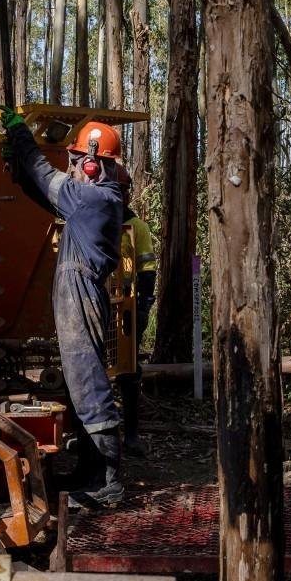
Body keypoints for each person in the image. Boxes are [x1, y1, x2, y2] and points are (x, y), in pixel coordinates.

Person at [0, 106, 128, 508]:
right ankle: (91, 471)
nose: (72, 167)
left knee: (88, 383)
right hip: (79, 291)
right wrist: (18, 171)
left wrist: (21, 136)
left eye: (76, 160)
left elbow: (45, 176)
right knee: (79, 385)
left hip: (82, 293)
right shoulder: (94, 197)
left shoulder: (94, 199)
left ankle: (108, 481)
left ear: (91, 164)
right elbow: (42, 190)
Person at [114, 167, 157, 456]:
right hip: (95, 306)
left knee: (128, 370)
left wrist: (142, 307)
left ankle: (130, 435)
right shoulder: (92, 223)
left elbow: (147, 270)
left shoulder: (136, 228)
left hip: (125, 308)